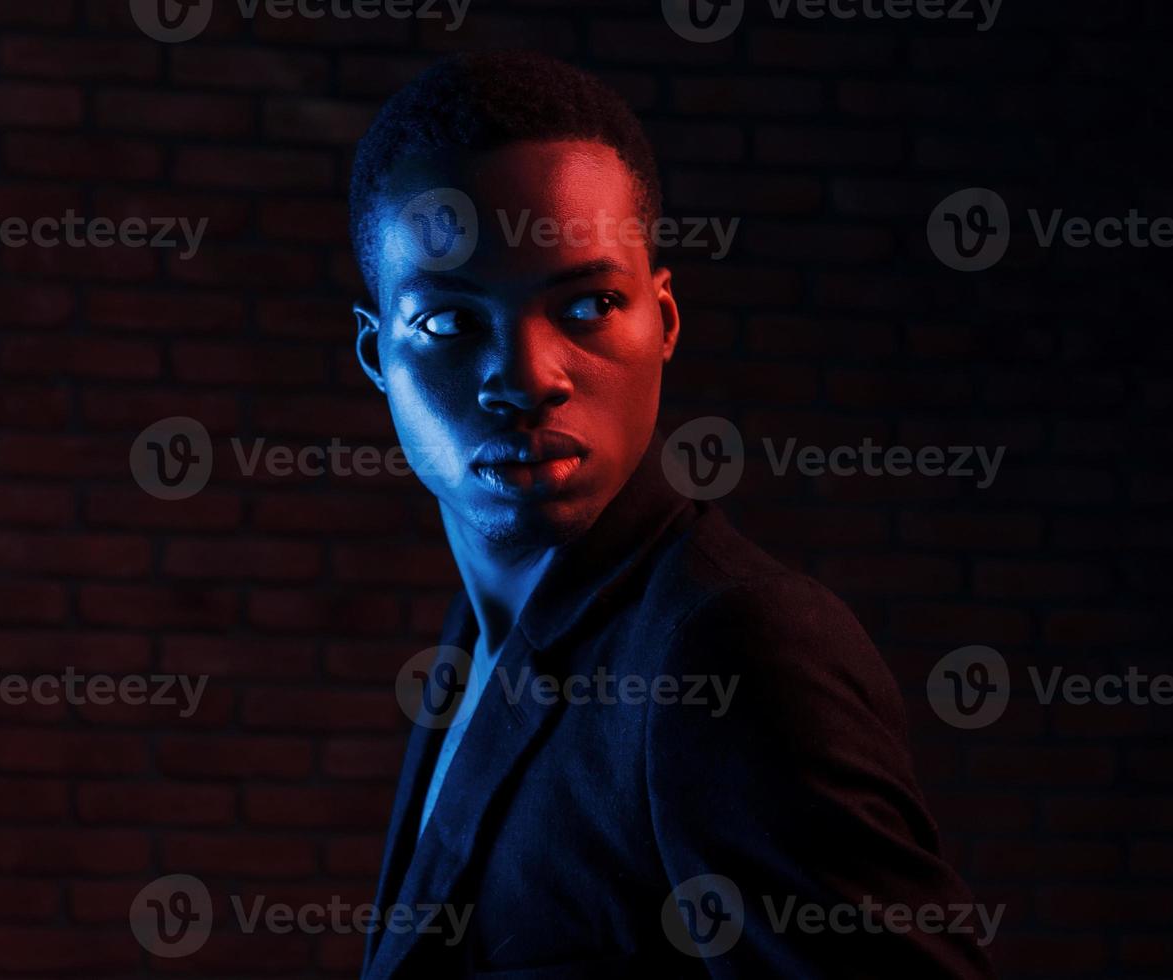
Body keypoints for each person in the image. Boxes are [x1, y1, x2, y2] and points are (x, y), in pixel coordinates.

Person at [348, 50, 995, 979]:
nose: (530, 379)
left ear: (665, 320)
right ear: (377, 354)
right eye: (450, 323)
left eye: (589, 304)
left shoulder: (732, 649)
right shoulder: (475, 649)